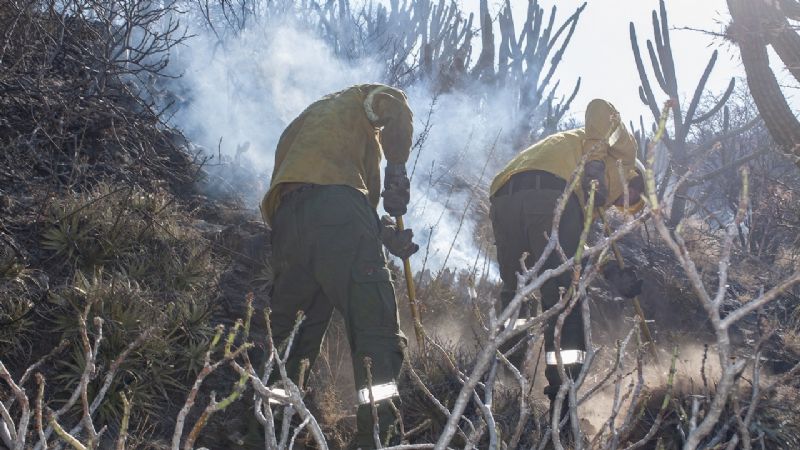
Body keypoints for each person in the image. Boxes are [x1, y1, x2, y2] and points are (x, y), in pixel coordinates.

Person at [260, 84, 419, 448]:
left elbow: (323, 205)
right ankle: (377, 439)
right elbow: (394, 104)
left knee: (290, 343)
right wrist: (397, 171)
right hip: (337, 212)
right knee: (375, 329)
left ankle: (265, 436)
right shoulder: (363, 98)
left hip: (286, 223)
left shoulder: (308, 125)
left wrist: (382, 234)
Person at [489, 98, 644, 424]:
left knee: (516, 293)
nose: (619, 205)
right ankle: (563, 404)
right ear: (634, 178)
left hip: (504, 196)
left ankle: (503, 388)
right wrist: (597, 167)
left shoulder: (579, 173)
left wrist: (612, 273)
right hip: (552, 193)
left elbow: (575, 249)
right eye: (627, 200)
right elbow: (600, 107)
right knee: (565, 298)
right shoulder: (622, 155)